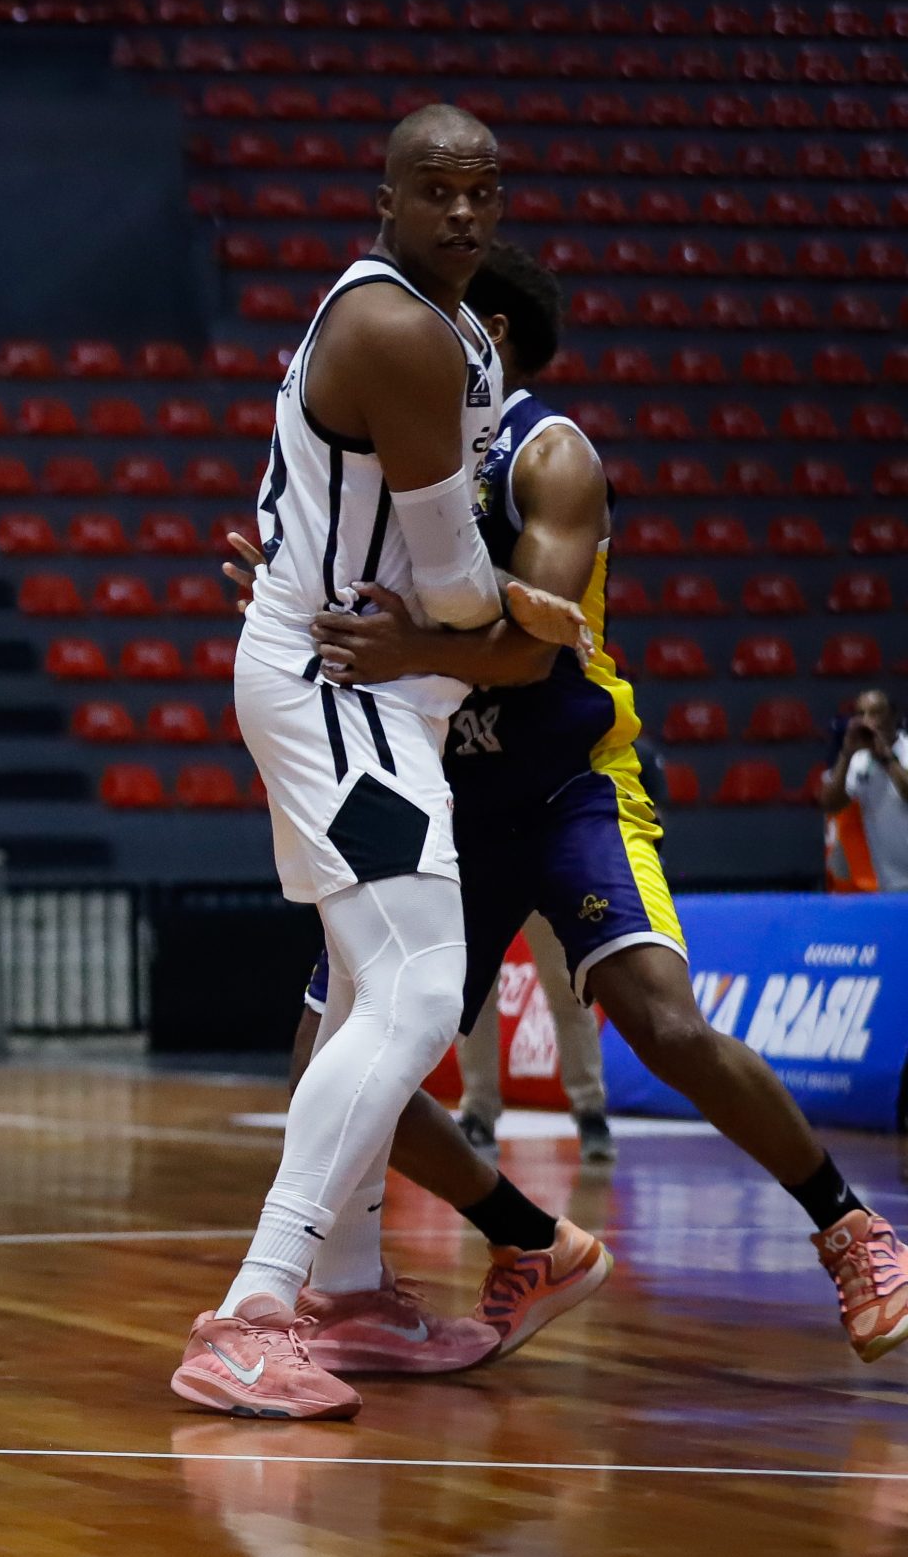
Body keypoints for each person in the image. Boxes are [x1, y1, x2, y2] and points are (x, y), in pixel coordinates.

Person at [290, 241, 905, 1368]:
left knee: (663, 1022)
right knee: (325, 1065)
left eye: (435, 311)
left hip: (569, 783)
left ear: (489, 334)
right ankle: (533, 1242)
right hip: (444, 794)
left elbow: (530, 654)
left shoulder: (550, 453)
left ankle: (851, 1228)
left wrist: (407, 648)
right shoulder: (403, 458)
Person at [172, 107, 598, 1422]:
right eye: (437, 190)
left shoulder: (448, 330)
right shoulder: (399, 328)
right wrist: (517, 614)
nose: (464, 212)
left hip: (359, 683)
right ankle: (253, 1311)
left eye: (484, 190)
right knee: (416, 994)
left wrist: (470, 615)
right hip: (342, 687)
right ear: (387, 198)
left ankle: (350, 1296)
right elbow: (459, 582)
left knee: (367, 989)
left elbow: (417, 562)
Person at [452, 912, 611, 1163]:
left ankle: (591, 1112)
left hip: (543, 889)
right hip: (482, 888)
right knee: (475, 993)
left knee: (569, 988)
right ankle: (478, 1115)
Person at [819, 690, 908, 890]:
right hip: (891, 885)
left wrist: (886, 757)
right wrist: (846, 753)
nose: (867, 721)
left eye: (875, 713)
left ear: (893, 716)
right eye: (861, 714)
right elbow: (830, 804)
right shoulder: (859, 761)